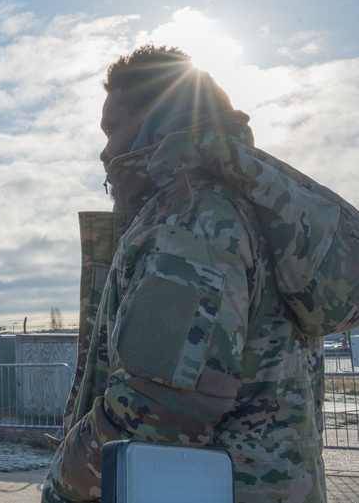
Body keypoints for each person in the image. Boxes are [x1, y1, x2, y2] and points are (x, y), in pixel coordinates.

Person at [41, 44, 348, 503]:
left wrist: (62, 484)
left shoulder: (192, 221)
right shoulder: (260, 215)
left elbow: (158, 411)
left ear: (155, 115)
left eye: (111, 127)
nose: (104, 151)